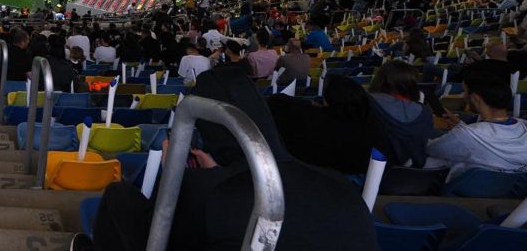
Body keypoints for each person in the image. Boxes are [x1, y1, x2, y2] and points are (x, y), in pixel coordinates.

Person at [83, 66, 378, 250]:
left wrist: (175, 175)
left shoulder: (207, 194)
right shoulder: (339, 185)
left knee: (120, 196)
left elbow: (155, 236)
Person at [426, 60, 527, 181]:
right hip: (508, 187)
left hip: (468, 190)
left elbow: (432, 149)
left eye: (465, 91)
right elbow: (480, 137)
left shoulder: (465, 136)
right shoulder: (523, 126)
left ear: (475, 98)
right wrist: (460, 126)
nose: (463, 95)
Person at [269, 76, 388, 175]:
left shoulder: (310, 120)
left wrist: (309, 105)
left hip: (309, 179)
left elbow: (276, 100)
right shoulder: (373, 127)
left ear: (328, 102)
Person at [368, 60, 436, 167]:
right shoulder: (425, 113)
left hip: (365, 174)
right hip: (411, 178)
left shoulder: (366, 102)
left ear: (379, 80)